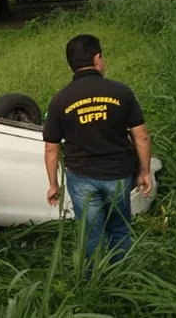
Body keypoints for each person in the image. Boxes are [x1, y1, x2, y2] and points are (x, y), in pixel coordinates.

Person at [42, 34, 153, 270]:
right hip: (118, 175)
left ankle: (93, 281)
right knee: (119, 227)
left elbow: (51, 148)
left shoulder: (60, 100)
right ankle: (122, 277)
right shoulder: (121, 92)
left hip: (82, 178)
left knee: (91, 233)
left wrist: (53, 184)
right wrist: (144, 171)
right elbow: (141, 136)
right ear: (97, 58)